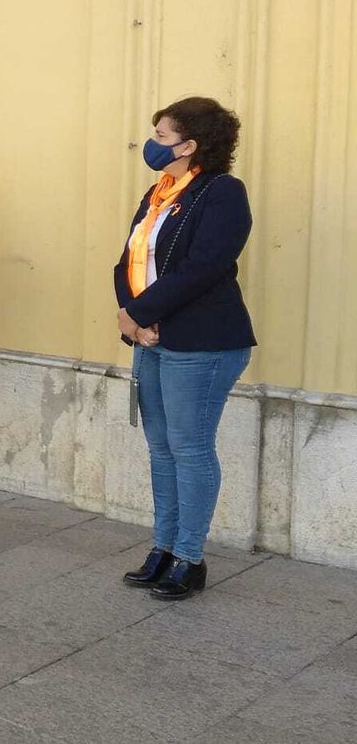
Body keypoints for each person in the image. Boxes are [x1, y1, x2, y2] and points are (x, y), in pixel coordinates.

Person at [115, 97, 255, 602]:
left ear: (190, 144)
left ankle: (189, 558)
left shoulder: (221, 192)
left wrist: (140, 314)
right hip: (152, 337)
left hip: (203, 341)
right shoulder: (159, 192)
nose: (151, 142)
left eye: (161, 134)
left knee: (190, 448)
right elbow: (127, 261)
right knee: (161, 447)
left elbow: (204, 267)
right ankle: (164, 548)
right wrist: (132, 317)